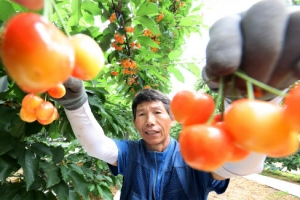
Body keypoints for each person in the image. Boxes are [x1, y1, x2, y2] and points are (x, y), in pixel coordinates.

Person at [54, 0, 300, 199]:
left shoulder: (193, 149)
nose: (149, 120)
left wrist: (256, 100)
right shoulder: (130, 152)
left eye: (157, 112)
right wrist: (76, 102)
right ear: (135, 122)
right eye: (141, 114)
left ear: (173, 118)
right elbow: (97, 146)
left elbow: (238, 166)